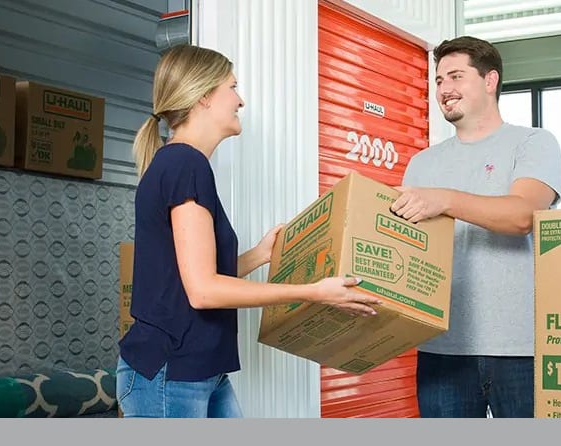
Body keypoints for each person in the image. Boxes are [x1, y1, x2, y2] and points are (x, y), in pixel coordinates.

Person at [116, 44, 381, 418]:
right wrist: (313, 293)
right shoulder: (184, 165)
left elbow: (185, 279)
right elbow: (204, 291)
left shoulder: (181, 163)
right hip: (169, 373)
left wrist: (260, 255)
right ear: (204, 96)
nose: (239, 100)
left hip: (202, 369)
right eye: (232, 87)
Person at [390, 36, 561, 418]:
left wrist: (445, 200)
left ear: (490, 81)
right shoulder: (422, 163)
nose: (444, 89)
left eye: (455, 76)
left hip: (521, 349)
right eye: (437, 80)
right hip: (441, 349)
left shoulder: (533, 143)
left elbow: (522, 217)